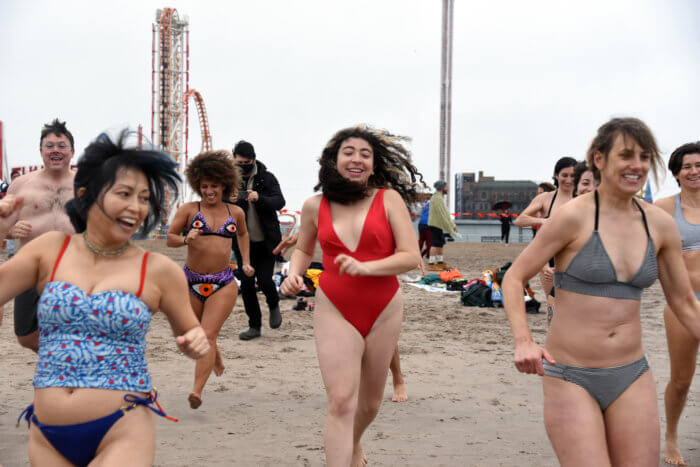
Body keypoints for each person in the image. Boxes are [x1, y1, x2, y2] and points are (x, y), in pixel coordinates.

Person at [1, 130, 209, 465]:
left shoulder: (157, 269)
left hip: (122, 426)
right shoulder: (50, 249)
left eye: (144, 198)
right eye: (124, 193)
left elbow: (191, 332)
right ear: (86, 193)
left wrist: (195, 341)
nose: (136, 207)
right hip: (46, 434)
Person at [503, 118, 700, 466]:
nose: (637, 165)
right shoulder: (572, 218)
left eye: (644, 156)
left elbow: (684, 303)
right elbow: (514, 278)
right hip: (570, 374)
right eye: (626, 155)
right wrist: (523, 340)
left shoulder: (659, 224)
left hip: (632, 374)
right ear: (599, 159)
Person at [280, 125, 422, 465]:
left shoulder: (388, 199)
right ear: (334, 160)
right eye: (348, 152)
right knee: (342, 401)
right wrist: (293, 274)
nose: (356, 159)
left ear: (374, 165)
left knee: (370, 404)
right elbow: (302, 248)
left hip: (384, 307)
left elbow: (410, 256)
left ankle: (354, 444)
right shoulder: (315, 205)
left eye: (364, 154)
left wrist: (367, 268)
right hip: (334, 306)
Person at [274, 232, 410, 403]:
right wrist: (302, 235)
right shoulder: (325, 207)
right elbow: (324, 218)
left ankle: (398, 379)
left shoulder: (375, 207)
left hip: (373, 276)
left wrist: (408, 249)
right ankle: (351, 383)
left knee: (382, 334)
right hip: (340, 281)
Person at [167, 150, 254, 409]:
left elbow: (243, 235)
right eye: (204, 186)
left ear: (223, 185)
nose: (209, 191)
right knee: (193, 333)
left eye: (213, 186)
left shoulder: (235, 212)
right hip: (191, 282)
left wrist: (246, 262)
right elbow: (169, 238)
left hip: (223, 282)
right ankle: (214, 355)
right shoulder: (189, 209)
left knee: (208, 334)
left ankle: (196, 391)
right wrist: (185, 239)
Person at [0, 119, 77, 351]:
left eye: (62, 146)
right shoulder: (21, 184)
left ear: (72, 152)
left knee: (73, 325)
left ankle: (61, 369)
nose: (55, 150)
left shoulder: (86, 185)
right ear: (41, 151)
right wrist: (10, 231)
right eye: (50, 145)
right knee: (25, 334)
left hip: (73, 265)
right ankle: (60, 358)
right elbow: (3, 228)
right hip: (30, 266)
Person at [655, 141, 700, 465]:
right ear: (676, 173)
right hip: (683, 303)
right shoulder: (665, 208)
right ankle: (670, 435)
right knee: (682, 378)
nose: (694, 171)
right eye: (687, 166)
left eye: (699, 165)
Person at [231, 140, 285, 341]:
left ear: (253, 159)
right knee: (246, 283)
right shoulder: (230, 180)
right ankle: (254, 326)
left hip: (267, 241)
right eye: (239, 162)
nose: (242, 166)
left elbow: (280, 201)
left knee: (264, 279)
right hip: (242, 243)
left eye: (246, 162)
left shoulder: (266, 178)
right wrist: (231, 198)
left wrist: (258, 198)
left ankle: (273, 304)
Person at [514, 156, 576, 325]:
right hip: (548, 261)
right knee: (553, 305)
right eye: (564, 175)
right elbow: (520, 220)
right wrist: (542, 221)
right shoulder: (546, 199)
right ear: (556, 175)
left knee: (574, 308)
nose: (569, 180)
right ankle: (554, 341)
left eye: (573, 175)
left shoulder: (584, 198)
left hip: (575, 259)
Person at [427, 180, 456, 271]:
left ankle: (440, 263)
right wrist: (450, 225)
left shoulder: (439, 197)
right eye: (446, 187)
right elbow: (442, 213)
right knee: (435, 244)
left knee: (440, 244)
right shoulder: (437, 198)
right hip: (435, 224)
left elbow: (444, 213)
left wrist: (451, 224)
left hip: (438, 224)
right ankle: (431, 264)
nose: (448, 188)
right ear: (442, 188)